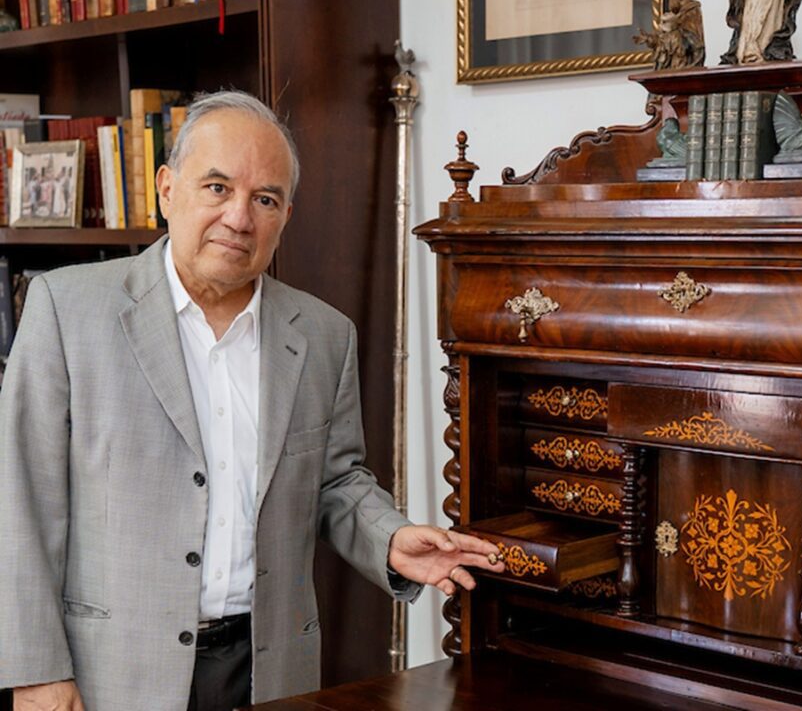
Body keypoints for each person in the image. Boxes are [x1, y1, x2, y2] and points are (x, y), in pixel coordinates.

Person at [0, 90, 505, 711]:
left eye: (264, 199)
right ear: (167, 189)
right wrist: (36, 672)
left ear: (285, 215)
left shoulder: (324, 335)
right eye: (217, 187)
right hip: (110, 673)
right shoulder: (66, 309)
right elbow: (20, 500)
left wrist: (390, 540)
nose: (239, 218)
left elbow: (336, 480)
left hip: (268, 668)